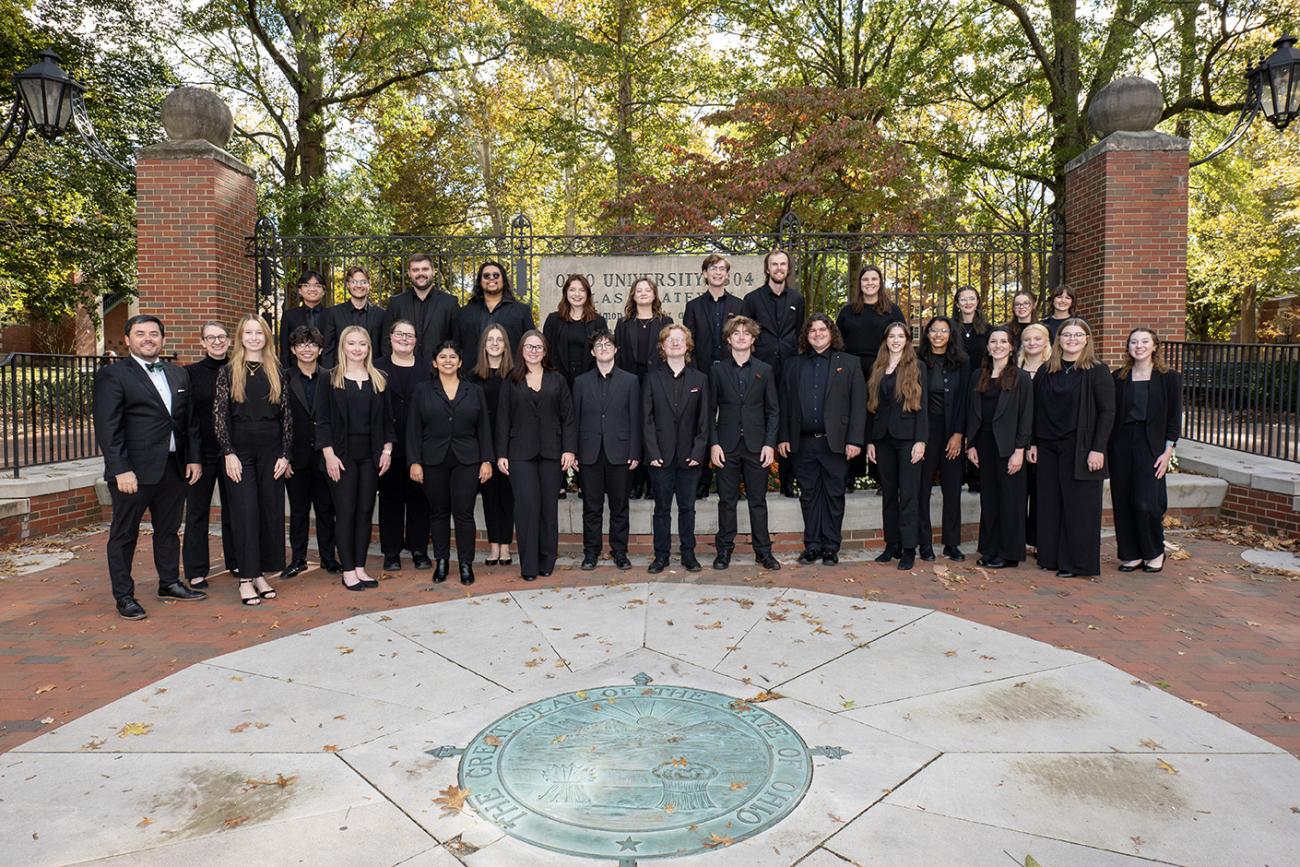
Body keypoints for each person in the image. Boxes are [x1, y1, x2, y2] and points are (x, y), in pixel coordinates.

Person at [93, 315, 206, 620]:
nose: (148, 339)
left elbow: (190, 422)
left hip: (173, 467)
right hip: (134, 472)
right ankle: (124, 596)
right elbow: (108, 427)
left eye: (154, 334)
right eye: (140, 333)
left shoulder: (178, 375)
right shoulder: (114, 376)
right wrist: (120, 469)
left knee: (168, 530)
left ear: (163, 339)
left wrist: (194, 458)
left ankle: (168, 582)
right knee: (124, 534)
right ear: (128, 339)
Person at [214, 314, 292, 605]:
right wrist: (229, 453)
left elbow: (287, 418)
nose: (254, 337)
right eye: (248, 332)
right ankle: (246, 579)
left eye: (259, 332)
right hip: (240, 452)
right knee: (245, 512)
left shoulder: (277, 371)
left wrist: (285, 454)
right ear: (240, 337)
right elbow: (219, 418)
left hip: (271, 450)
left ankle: (260, 573)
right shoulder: (228, 371)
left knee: (268, 511)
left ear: (266, 337)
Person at [1028, 317, 1115, 578]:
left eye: (1078, 335)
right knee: (1050, 503)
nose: (1072, 340)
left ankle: (1077, 563)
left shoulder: (1096, 370)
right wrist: (1033, 442)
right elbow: (1034, 409)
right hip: (1049, 446)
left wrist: (1098, 448)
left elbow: (1108, 412)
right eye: (1067, 335)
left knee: (1079, 507)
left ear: (1087, 339)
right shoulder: (1047, 370)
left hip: (1081, 448)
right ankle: (1050, 557)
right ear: (1059, 340)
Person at [778, 314, 866, 566]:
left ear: (831, 333)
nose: (817, 334)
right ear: (806, 336)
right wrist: (784, 437)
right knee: (809, 495)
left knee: (834, 495)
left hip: (835, 443)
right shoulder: (793, 365)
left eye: (822, 329)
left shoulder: (849, 363)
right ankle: (812, 545)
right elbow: (785, 404)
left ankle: (830, 546)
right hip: (802, 442)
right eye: (812, 330)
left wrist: (855, 440)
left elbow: (858, 405)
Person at [408, 341, 494, 585]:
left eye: (453, 356)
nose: (448, 360)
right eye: (443, 356)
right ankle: (442, 561)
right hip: (432, 458)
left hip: (467, 459)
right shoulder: (423, 390)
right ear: (435, 362)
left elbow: (484, 428)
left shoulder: (474, 390)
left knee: (464, 512)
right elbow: (413, 428)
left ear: (460, 362)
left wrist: (486, 460)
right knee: (438, 513)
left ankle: (466, 563)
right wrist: (414, 461)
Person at [495, 330, 577, 582]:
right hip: (520, 454)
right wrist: (501, 454)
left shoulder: (557, 379)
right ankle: (528, 564)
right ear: (521, 350)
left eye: (538, 346)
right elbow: (502, 418)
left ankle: (546, 560)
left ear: (545, 351)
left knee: (547, 508)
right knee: (527, 506)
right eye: (529, 346)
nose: (533, 350)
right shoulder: (511, 379)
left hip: (552, 453)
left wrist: (569, 449)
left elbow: (568, 417)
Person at [317, 325, 394, 590]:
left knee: (364, 511)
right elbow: (323, 422)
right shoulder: (329, 378)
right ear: (343, 347)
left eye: (362, 344)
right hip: (341, 456)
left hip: (371, 456)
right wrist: (328, 455)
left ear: (369, 348)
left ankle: (360, 567)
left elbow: (387, 420)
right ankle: (347, 569)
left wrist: (387, 451)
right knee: (346, 512)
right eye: (351, 343)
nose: (357, 348)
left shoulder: (380, 378)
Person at [710, 316, 780, 571]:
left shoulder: (765, 370)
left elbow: (773, 410)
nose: (741, 336)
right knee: (726, 500)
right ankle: (724, 550)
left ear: (753, 339)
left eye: (746, 333)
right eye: (736, 333)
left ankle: (763, 552)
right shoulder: (717, 370)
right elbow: (709, 411)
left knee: (757, 501)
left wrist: (769, 444)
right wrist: (714, 444)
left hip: (756, 446)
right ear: (729, 339)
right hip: (726, 446)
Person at [1111, 328, 1182, 573]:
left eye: (1144, 342)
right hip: (1121, 444)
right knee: (1123, 501)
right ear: (1128, 347)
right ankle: (1131, 554)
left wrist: (1168, 450)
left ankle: (1154, 551)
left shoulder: (1169, 378)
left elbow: (1173, 418)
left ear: (1154, 347)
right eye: (1133, 342)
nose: (1138, 346)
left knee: (1147, 503)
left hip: (1151, 445)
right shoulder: (1118, 377)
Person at [642, 324, 711, 573]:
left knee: (687, 508)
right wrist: (652, 453)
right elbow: (646, 420)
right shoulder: (651, 378)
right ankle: (661, 556)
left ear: (688, 345)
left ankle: (688, 554)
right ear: (662, 346)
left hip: (689, 458)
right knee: (661, 510)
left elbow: (705, 421)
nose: (675, 343)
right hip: (660, 457)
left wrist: (698, 452)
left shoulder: (700, 379)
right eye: (670, 339)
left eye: (680, 339)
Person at [573, 330, 641, 571]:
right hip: (589, 452)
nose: (603, 348)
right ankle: (591, 552)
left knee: (619, 506)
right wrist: (574, 452)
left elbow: (635, 418)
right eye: (598, 345)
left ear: (616, 350)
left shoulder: (630, 381)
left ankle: (619, 552)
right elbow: (575, 419)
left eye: (608, 344)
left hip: (621, 452)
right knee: (591, 507)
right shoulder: (580, 382)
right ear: (592, 352)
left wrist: (635, 451)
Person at [966, 327, 1033, 569]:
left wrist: (1019, 450)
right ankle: (991, 548)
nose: (998, 345)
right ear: (988, 347)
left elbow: (1026, 416)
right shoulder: (978, 376)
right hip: (984, 444)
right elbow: (972, 413)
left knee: (1011, 501)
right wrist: (971, 444)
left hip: (1009, 446)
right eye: (993, 341)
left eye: (1003, 341)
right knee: (990, 500)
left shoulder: (1021, 377)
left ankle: (1009, 553)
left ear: (1012, 346)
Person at [742, 249, 804, 499]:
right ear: (767, 269)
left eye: (783, 264)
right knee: (758, 422)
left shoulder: (797, 299)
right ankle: (753, 483)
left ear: (788, 269)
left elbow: (799, 331)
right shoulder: (752, 299)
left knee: (788, 422)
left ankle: (787, 481)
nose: (779, 268)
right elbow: (746, 334)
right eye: (774, 264)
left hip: (789, 368)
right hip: (761, 369)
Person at [836, 263, 905, 487]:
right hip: (853, 369)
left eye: (874, 279)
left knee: (879, 416)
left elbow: (901, 341)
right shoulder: (848, 311)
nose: (869, 283)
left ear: (880, 282)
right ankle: (851, 474)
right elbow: (838, 343)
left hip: (883, 367)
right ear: (860, 283)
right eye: (865, 279)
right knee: (855, 415)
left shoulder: (892, 311)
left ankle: (879, 476)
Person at [866, 322, 928, 570]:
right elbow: (872, 407)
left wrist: (921, 440)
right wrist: (870, 440)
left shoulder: (917, 367)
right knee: (889, 495)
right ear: (885, 339)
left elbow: (923, 409)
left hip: (908, 439)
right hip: (883, 440)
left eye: (900, 336)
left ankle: (909, 549)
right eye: (891, 336)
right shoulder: (878, 367)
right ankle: (892, 545)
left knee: (909, 495)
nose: (896, 340)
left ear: (907, 340)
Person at [182, 321, 238, 588]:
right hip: (202, 454)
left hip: (233, 455)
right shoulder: (190, 374)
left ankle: (236, 560)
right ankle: (196, 568)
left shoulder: (237, 370)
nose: (217, 342)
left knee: (235, 509)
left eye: (221, 337)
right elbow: (189, 419)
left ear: (229, 341)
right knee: (196, 512)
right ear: (202, 343)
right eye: (211, 338)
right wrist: (192, 457)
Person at [684, 253, 744, 499]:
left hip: (731, 374)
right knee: (702, 423)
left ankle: (731, 483)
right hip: (703, 373)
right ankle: (702, 482)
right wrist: (697, 373)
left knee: (731, 422)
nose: (718, 273)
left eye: (722, 269)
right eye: (713, 268)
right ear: (705, 274)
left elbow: (744, 340)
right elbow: (689, 343)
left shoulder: (740, 306)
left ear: (727, 275)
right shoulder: (694, 306)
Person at [375, 319, 433, 572]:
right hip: (388, 442)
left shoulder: (427, 369)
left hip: (420, 442)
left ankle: (419, 548)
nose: (404, 339)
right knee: (390, 498)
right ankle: (391, 551)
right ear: (390, 337)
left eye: (409, 335)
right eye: (399, 334)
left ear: (416, 341)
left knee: (420, 496)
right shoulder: (377, 367)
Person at [283, 326, 340, 577]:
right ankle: (298, 559)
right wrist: (284, 456)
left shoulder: (331, 378)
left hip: (324, 456)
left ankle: (329, 557)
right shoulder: (284, 378)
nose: (307, 349)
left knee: (327, 510)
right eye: (302, 344)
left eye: (312, 344)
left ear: (320, 349)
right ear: (294, 350)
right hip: (296, 457)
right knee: (298, 511)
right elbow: (279, 421)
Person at [916, 315, 969, 561]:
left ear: (951, 334)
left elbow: (964, 400)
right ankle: (924, 544)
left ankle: (952, 543)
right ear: (927, 334)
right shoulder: (917, 360)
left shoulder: (962, 361)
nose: (938, 335)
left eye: (944, 331)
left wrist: (958, 434)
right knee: (922, 488)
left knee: (952, 489)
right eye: (934, 330)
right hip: (927, 431)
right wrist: (920, 438)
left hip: (952, 431)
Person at [615, 277, 673, 500]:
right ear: (633, 295)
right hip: (630, 382)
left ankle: (652, 482)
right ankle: (635, 482)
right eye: (639, 290)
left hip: (657, 382)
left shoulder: (665, 321)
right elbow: (618, 357)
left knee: (655, 429)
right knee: (634, 429)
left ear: (654, 294)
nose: (643, 293)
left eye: (647, 290)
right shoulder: (624, 323)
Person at [472, 325, 515, 566]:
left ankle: (506, 546)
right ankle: (494, 546)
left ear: (506, 345)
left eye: (500, 339)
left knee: (507, 497)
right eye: (491, 339)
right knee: (489, 496)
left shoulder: (515, 374)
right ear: (484, 344)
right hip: (483, 444)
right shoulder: (474, 375)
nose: (495, 343)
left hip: (509, 444)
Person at [383, 253, 460, 364]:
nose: (420, 273)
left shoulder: (449, 303)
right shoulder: (396, 303)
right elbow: (386, 340)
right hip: (403, 369)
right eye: (415, 270)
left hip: (438, 371)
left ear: (433, 271)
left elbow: (456, 341)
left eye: (425, 269)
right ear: (409, 273)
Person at [1017, 323, 1052, 553]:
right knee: (1019, 492)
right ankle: (1019, 539)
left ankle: (1038, 540)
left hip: (1042, 439)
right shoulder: (1014, 367)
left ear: (1046, 341)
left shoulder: (1053, 368)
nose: (1032, 343)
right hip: (1017, 439)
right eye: (1027, 339)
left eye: (1037, 339)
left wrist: (1036, 442)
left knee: (1041, 493)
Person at [456, 260, 534, 354]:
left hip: (511, 367)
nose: (491, 278)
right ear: (480, 282)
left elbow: (530, 343)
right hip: (473, 367)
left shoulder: (522, 311)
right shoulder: (465, 313)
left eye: (496, 275)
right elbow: (457, 346)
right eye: (486, 276)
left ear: (504, 281)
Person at [544, 274, 605, 388]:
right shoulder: (553, 320)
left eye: (582, 290)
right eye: (572, 290)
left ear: (587, 294)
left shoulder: (598, 321)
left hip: (589, 381)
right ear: (565, 293)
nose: (577, 294)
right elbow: (547, 351)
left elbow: (602, 352)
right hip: (558, 379)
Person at [321, 265, 386, 368]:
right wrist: (329, 376)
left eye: (363, 282)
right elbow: (328, 348)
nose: (359, 286)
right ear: (348, 285)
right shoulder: (334, 313)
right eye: (354, 282)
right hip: (342, 374)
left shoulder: (381, 314)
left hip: (372, 372)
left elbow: (385, 349)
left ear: (369, 285)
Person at [279, 270, 330, 368]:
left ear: (323, 291)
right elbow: (284, 348)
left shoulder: (332, 314)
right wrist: (286, 374)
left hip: (327, 371)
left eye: (317, 285)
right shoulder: (289, 315)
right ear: (300, 290)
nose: (312, 289)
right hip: (296, 371)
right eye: (306, 285)